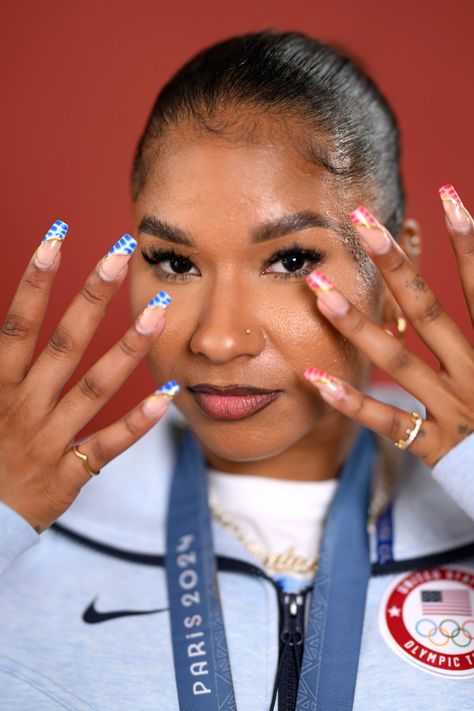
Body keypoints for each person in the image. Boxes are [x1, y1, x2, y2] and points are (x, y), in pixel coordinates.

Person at [0, 30, 473, 711]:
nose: (219, 340)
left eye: (290, 260)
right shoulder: (39, 526)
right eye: (175, 261)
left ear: (395, 264)